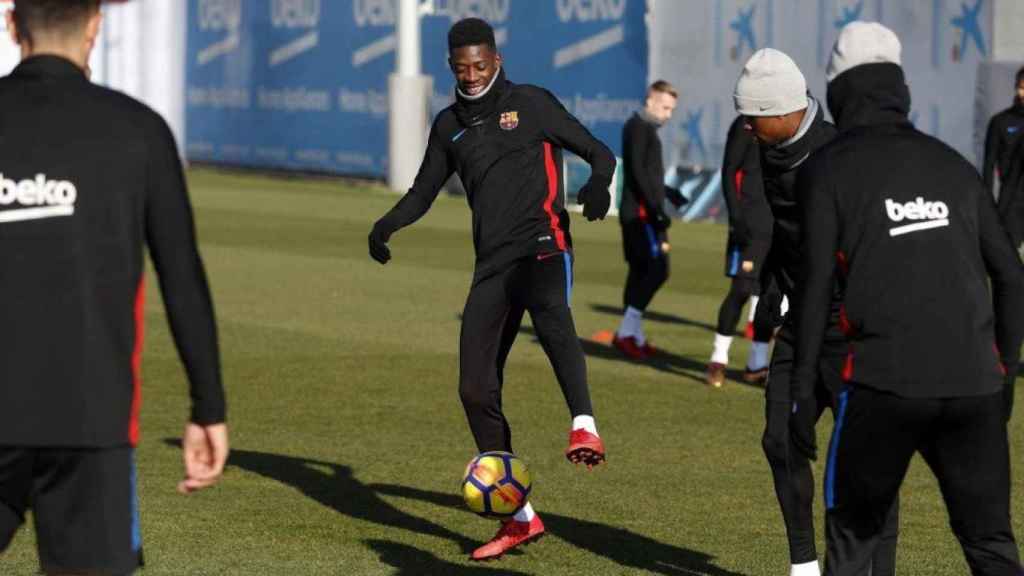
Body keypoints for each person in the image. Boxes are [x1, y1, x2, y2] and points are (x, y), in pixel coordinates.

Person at [367, 17, 614, 561]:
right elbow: (423, 190)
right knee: (474, 389)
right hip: (493, 265)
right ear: (451, 66)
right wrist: (386, 225)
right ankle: (518, 515)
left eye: (481, 65)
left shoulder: (531, 103)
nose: (473, 75)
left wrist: (599, 184)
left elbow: (601, 152)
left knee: (551, 310)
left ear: (496, 59)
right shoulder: (448, 124)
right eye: (462, 67)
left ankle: (584, 426)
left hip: (545, 244)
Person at [0, 1, 229, 574]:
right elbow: (182, 275)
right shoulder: (138, 129)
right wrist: (208, 405)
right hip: (91, 417)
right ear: (96, 25)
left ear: (11, 24)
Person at [793, 22, 1024, 575]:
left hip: (882, 385)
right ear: (901, 88)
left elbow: (815, 287)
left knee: (852, 537)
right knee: (991, 545)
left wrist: (802, 391)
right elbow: (1012, 277)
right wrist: (1005, 374)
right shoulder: (952, 166)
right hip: (974, 386)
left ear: (838, 91)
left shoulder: (826, 169)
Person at [732, 48, 897, 576]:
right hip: (798, 319)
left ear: (783, 112)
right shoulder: (767, 146)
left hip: (852, 327)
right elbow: (787, 229)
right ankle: (803, 565)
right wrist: (768, 292)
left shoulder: (840, 154)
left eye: (754, 119)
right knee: (778, 439)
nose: (748, 130)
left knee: (867, 466)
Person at [612, 80, 687, 359]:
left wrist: (668, 192)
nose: (668, 114)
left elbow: (646, 174)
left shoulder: (645, 130)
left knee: (641, 273)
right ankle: (625, 333)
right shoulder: (638, 128)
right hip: (641, 215)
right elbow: (637, 174)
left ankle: (634, 335)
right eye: (666, 107)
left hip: (644, 211)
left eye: (672, 109)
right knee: (656, 271)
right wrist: (656, 210)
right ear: (651, 100)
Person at [705, 115, 776, 387]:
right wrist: (736, 219)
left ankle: (757, 364)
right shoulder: (746, 123)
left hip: (779, 224)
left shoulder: (791, 123)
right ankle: (718, 359)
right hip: (749, 224)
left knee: (771, 294)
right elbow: (728, 170)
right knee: (741, 290)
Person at [982, 65, 1024, 197]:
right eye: (1021, 88)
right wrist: (987, 203)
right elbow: (988, 166)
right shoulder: (1000, 121)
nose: (1022, 93)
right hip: (1010, 201)